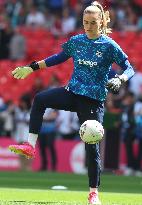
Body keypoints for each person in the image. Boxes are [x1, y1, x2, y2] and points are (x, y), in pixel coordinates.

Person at [9, 1, 135, 204]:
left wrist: (120, 78)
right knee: (41, 98)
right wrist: (32, 67)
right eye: (85, 22)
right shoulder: (77, 41)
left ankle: (93, 192)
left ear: (101, 22)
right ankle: (31, 146)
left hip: (93, 101)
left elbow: (129, 68)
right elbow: (58, 58)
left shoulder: (109, 46)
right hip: (72, 93)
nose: (88, 26)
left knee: (92, 147)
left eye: (93, 22)